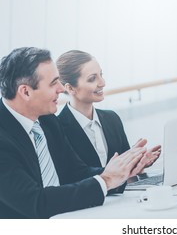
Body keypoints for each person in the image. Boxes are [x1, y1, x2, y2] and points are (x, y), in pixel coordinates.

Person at [0, 47, 151, 219]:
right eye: (53, 83)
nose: (61, 89)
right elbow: (36, 202)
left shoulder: (47, 120)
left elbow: (75, 173)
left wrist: (122, 171)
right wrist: (107, 180)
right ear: (25, 91)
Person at [56, 50, 161, 168]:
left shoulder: (112, 119)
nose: (102, 83)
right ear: (70, 88)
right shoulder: (57, 130)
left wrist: (136, 163)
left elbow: (126, 175)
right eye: (92, 79)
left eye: (101, 75)